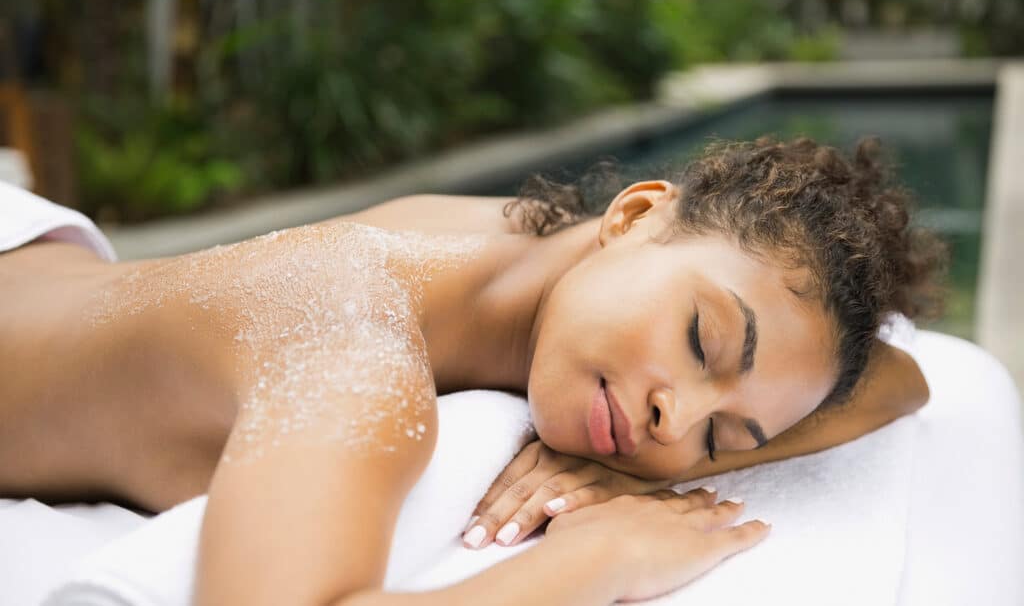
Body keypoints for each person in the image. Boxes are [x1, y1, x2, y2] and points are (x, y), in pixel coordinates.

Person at [0, 136, 944, 605]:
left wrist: (659, 451)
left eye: (721, 434)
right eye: (702, 343)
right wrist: (588, 563)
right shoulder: (354, 355)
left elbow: (901, 378)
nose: (675, 417)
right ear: (633, 215)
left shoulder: (518, 240)